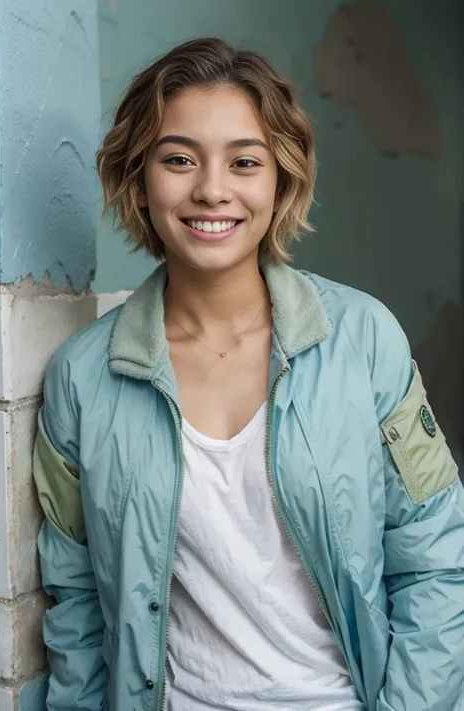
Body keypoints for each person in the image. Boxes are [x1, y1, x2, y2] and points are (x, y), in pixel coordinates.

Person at [33, 37, 464, 711]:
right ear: (139, 180)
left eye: (244, 161)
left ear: (280, 179)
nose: (211, 189)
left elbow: (436, 554)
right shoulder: (80, 379)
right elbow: (75, 595)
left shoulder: (364, 339)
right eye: (179, 159)